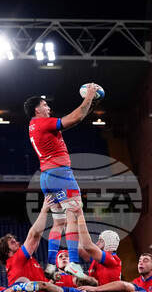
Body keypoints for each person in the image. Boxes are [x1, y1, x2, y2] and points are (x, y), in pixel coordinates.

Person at [23, 84, 101, 272]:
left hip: (47, 177)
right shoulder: (42, 123)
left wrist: (91, 102)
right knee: (74, 213)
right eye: (45, 105)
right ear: (37, 109)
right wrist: (88, 96)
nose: (49, 107)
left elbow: (79, 117)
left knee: (58, 222)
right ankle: (74, 262)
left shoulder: (33, 126)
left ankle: (50, 264)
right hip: (60, 174)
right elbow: (76, 118)